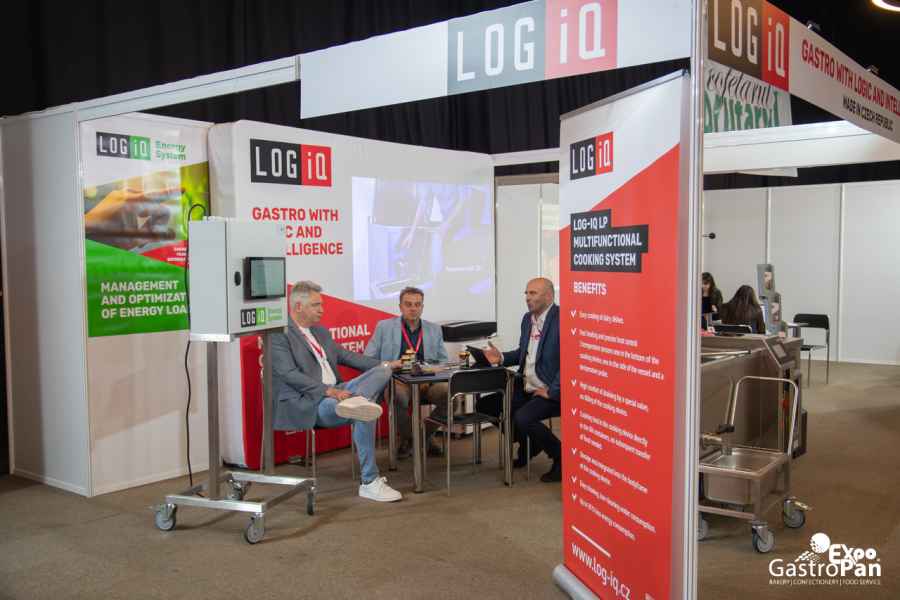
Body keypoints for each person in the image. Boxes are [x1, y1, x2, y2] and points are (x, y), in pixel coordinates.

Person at [272, 280, 404, 502]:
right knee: (364, 412)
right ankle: (369, 482)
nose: (322, 310)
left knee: (382, 371)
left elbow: (347, 356)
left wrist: (387, 363)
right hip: (312, 401)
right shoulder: (279, 334)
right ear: (298, 307)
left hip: (342, 392)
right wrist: (328, 391)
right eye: (316, 305)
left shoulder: (320, 331)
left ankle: (359, 401)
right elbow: (289, 374)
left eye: (321, 304)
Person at [480, 277, 561, 483]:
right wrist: (501, 357)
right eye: (526, 293)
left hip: (548, 389)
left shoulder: (561, 319)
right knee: (487, 405)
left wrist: (553, 391)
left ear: (548, 296)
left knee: (523, 417)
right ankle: (530, 443)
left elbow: (570, 361)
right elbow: (522, 353)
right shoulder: (527, 319)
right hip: (526, 384)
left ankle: (560, 457)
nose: (527, 297)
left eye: (533, 293)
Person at [365, 286, 449, 458]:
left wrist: (434, 368)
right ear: (400, 307)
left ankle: (421, 436)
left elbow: (443, 361)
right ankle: (413, 438)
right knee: (396, 397)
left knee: (450, 397)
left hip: (428, 381)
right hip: (398, 381)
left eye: (417, 304)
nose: (413, 308)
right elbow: (368, 358)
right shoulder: (384, 327)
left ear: (422, 307)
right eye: (408, 304)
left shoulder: (434, 329)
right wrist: (390, 365)